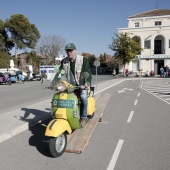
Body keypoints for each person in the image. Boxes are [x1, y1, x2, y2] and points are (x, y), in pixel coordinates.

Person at [60, 43, 92, 127]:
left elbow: (87, 73)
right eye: (67, 51)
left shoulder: (83, 60)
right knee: (61, 96)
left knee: (83, 98)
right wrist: (55, 81)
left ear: (75, 50)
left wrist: (85, 84)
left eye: (71, 50)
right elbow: (60, 72)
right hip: (70, 85)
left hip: (81, 85)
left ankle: (83, 117)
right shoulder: (64, 61)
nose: (69, 52)